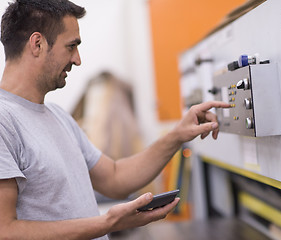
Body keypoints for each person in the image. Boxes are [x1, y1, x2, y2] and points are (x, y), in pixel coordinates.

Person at [0, 0, 230, 239]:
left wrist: (177, 135)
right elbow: (5, 231)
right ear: (37, 44)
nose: (77, 59)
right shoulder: (4, 122)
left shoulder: (58, 116)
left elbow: (115, 178)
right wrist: (107, 223)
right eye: (71, 46)